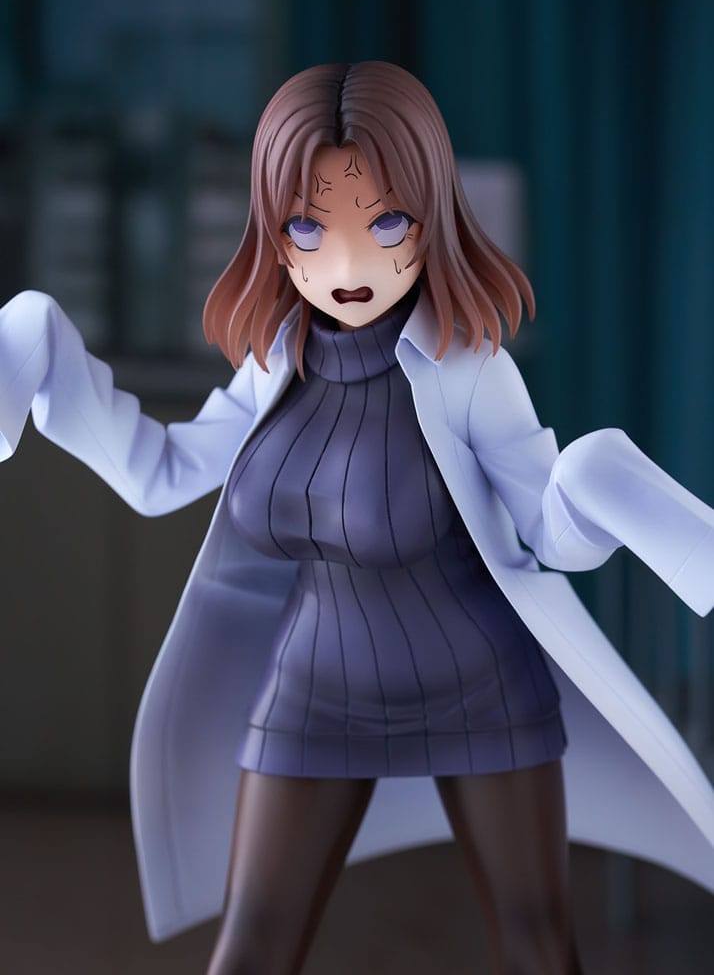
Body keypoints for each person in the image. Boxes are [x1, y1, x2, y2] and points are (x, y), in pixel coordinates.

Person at [1, 61, 713, 975]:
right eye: (308, 227)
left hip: (480, 685)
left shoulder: (467, 367)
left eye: (384, 226)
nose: (345, 269)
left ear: (431, 217)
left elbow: (546, 535)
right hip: (314, 686)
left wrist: (594, 485)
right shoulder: (274, 363)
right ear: (272, 229)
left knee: (537, 947)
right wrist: (49, 358)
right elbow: (160, 474)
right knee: (251, 950)